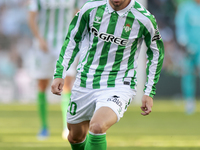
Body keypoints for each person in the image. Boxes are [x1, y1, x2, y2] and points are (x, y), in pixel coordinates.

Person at [51, 0, 164, 149]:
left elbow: (156, 53)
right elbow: (73, 38)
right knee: (75, 137)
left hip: (118, 84)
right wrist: (60, 72)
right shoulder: (90, 8)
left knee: (97, 126)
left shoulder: (144, 19)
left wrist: (149, 92)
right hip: (85, 81)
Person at [28, 0, 80, 140]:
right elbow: (31, 16)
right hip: (43, 45)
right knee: (42, 84)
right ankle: (44, 127)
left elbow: (78, 15)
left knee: (68, 83)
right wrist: (39, 39)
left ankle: (66, 127)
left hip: (65, 44)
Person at [175, 0, 200, 115]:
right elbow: (180, 26)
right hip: (190, 48)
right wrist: (184, 43)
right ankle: (189, 101)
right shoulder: (186, 8)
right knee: (188, 74)